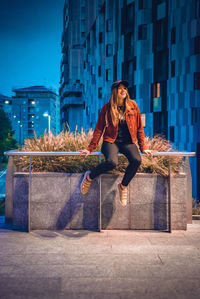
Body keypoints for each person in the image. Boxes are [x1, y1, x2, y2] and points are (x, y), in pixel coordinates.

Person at [79, 80, 152, 206]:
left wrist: (143, 147)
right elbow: (99, 129)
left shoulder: (133, 106)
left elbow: (140, 128)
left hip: (128, 142)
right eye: (120, 88)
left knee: (137, 160)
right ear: (114, 91)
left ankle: (123, 186)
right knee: (112, 162)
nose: (123, 90)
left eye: (125, 88)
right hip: (111, 141)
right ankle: (89, 177)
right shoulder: (107, 108)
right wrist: (90, 148)